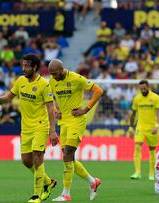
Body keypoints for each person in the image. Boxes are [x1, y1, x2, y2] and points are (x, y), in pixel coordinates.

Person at [0, 54, 59, 203]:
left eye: (26, 66)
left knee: (37, 157)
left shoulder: (44, 84)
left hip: (41, 125)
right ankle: (49, 182)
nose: (23, 69)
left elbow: (50, 108)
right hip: (26, 127)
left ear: (34, 67)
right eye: (22, 65)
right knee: (26, 161)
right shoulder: (21, 80)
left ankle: (36, 195)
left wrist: (53, 131)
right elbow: (8, 97)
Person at [48, 59, 103, 201]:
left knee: (67, 155)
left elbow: (98, 90)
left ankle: (66, 194)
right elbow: (49, 97)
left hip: (76, 120)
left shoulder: (77, 78)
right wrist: (55, 110)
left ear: (61, 69)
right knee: (69, 158)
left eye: (55, 73)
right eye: (51, 74)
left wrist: (86, 109)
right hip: (63, 122)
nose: (53, 76)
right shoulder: (53, 81)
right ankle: (93, 182)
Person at [128, 80, 159, 180]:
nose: (143, 90)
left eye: (144, 88)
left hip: (152, 128)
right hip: (140, 127)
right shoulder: (137, 98)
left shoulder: (155, 97)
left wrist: (157, 125)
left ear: (148, 87)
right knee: (137, 147)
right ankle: (137, 172)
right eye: (141, 89)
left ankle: (151, 174)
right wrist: (130, 127)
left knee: (152, 150)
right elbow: (133, 113)